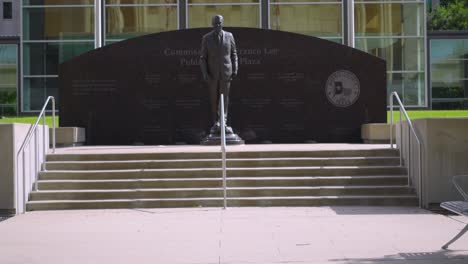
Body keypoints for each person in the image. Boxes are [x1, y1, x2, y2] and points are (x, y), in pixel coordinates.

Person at [200, 15, 238, 134]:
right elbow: (202, 58)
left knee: (225, 99)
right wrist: (205, 73)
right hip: (212, 74)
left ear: (222, 23)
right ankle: (216, 122)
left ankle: (224, 122)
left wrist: (235, 68)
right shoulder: (206, 38)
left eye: (219, 23)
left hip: (226, 73)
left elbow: (234, 54)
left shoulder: (229, 36)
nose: (217, 26)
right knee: (214, 99)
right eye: (215, 24)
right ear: (212, 24)